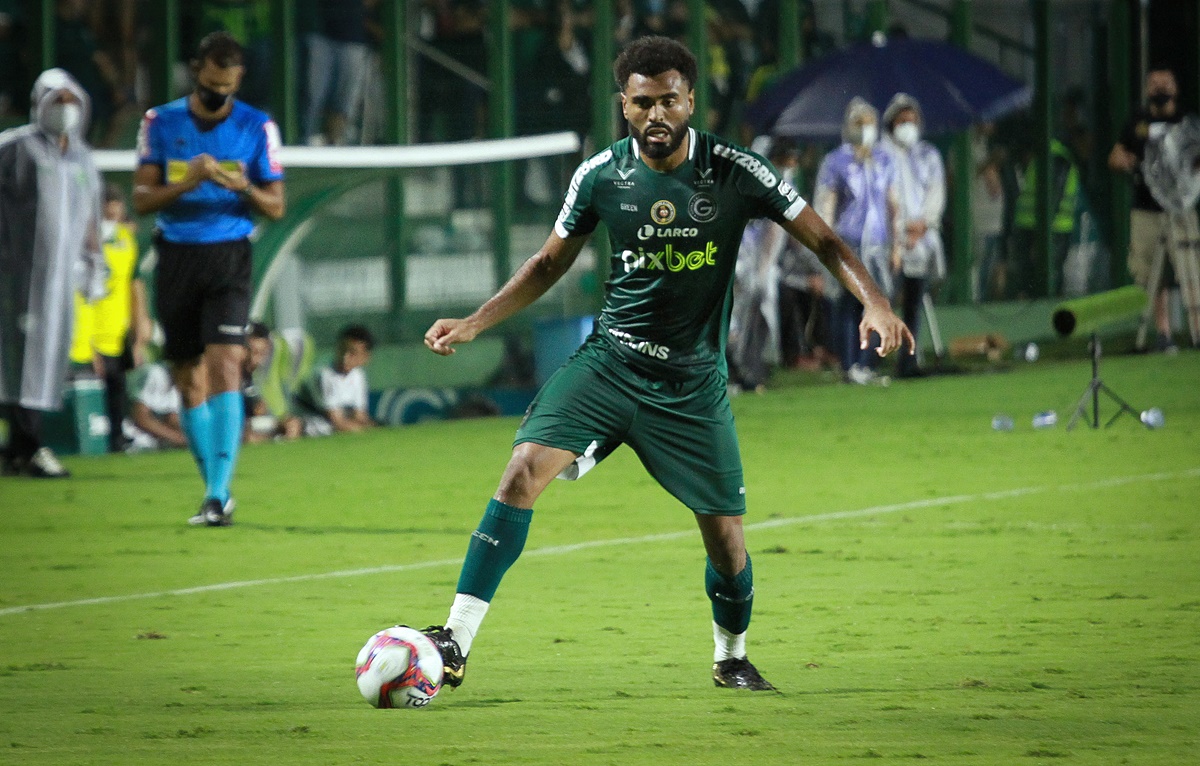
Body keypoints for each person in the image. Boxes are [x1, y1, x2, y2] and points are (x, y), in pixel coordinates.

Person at [420, 36, 913, 693]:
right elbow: (545, 264)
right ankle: (453, 639)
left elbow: (824, 237)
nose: (657, 114)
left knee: (727, 543)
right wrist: (474, 322)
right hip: (610, 362)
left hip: (690, 385)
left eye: (669, 101)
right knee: (519, 473)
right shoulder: (600, 176)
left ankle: (731, 656)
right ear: (623, 105)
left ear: (690, 101)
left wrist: (875, 303)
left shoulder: (738, 171)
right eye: (643, 102)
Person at [132, 31, 285, 526]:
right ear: (197, 71)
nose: (220, 93)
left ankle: (218, 494)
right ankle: (213, 490)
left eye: (229, 84)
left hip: (229, 256)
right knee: (186, 377)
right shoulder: (160, 122)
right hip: (176, 255)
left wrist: (244, 186)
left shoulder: (257, 126)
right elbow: (141, 199)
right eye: (212, 83)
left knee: (225, 364)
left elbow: (276, 205)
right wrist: (189, 181)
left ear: (238, 79)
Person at [1, 68, 106, 478]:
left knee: (46, 358)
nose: (64, 109)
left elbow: (91, 218)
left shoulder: (82, 158)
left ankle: (19, 446)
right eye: (56, 101)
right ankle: (28, 445)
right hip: (16, 276)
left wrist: (93, 266)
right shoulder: (16, 148)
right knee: (18, 359)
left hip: (60, 279)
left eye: (70, 101)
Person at [1109, 67, 1199, 352]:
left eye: (1166, 83)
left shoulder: (1187, 124)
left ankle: (1197, 331)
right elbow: (1115, 156)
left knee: (1192, 270)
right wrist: (1124, 161)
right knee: (1149, 274)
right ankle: (1163, 333)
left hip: (1181, 210)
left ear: (1176, 88)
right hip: (1146, 210)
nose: (1160, 88)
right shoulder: (1137, 122)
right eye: (1155, 83)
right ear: (1147, 89)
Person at [814, 97, 899, 386]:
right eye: (860, 123)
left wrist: (897, 246)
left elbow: (892, 205)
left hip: (878, 244)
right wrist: (825, 243)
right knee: (849, 304)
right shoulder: (836, 160)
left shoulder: (884, 159)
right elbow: (827, 203)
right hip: (848, 243)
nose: (866, 129)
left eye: (870, 122)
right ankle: (850, 364)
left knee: (876, 303)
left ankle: (867, 364)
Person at [68, 182, 151, 452]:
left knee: (118, 385)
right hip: (86, 331)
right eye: (107, 216)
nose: (112, 222)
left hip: (117, 330)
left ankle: (117, 436)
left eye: (116, 215)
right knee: (89, 388)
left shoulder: (126, 240)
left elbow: (134, 284)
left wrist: (141, 326)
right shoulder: (78, 241)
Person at [881, 94, 945, 378]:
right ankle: (870, 359)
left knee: (913, 303)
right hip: (887, 239)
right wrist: (900, 226)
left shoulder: (928, 154)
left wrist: (923, 224)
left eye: (912, 120)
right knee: (881, 300)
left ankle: (908, 360)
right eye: (902, 120)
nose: (908, 125)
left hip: (920, 239)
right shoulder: (880, 154)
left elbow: (936, 193)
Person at [1010, 136, 1079, 298]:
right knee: (1030, 279)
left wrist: (1042, 237)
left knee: (1048, 279)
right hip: (1034, 229)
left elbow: (1053, 198)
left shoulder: (1056, 157)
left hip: (1052, 230)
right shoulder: (1042, 157)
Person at [293, 324, 375, 436]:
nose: (345, 357)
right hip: (311, 424)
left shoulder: (358, 375)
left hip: (335, 422)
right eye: (342, 350)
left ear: (365, 357)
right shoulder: (325, 374)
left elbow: (359, 415)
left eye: (352, 353)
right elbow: (337, 421)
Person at [242, 321, 302, 443]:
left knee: (292, 424)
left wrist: (282, 423)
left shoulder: (253, 380)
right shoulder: (222, 380)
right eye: (249, 351)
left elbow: (259, 417)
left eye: (261, 353)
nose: (254, 360)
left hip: (251, 432)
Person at [125, 362, 188, 452]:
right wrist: (177, 438)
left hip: (158, 441)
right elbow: (140, 417)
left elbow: (173, 418)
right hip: (133, 437)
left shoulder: (178, 384)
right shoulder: (155, 374)